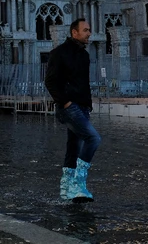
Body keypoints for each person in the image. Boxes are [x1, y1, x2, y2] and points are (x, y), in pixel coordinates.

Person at [44, 18, 101, 203]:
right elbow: (50, 82)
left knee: (74, 147)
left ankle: (66, 188)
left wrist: (88, 105)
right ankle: (78, 184)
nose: (89, 33)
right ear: (74, 32)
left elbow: (83, 84)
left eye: (89, 30)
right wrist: (65, 102)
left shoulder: (84, 55)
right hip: (69, 107)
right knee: (93, 138)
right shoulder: (58, 53)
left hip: (83, 107)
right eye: (85, 30)